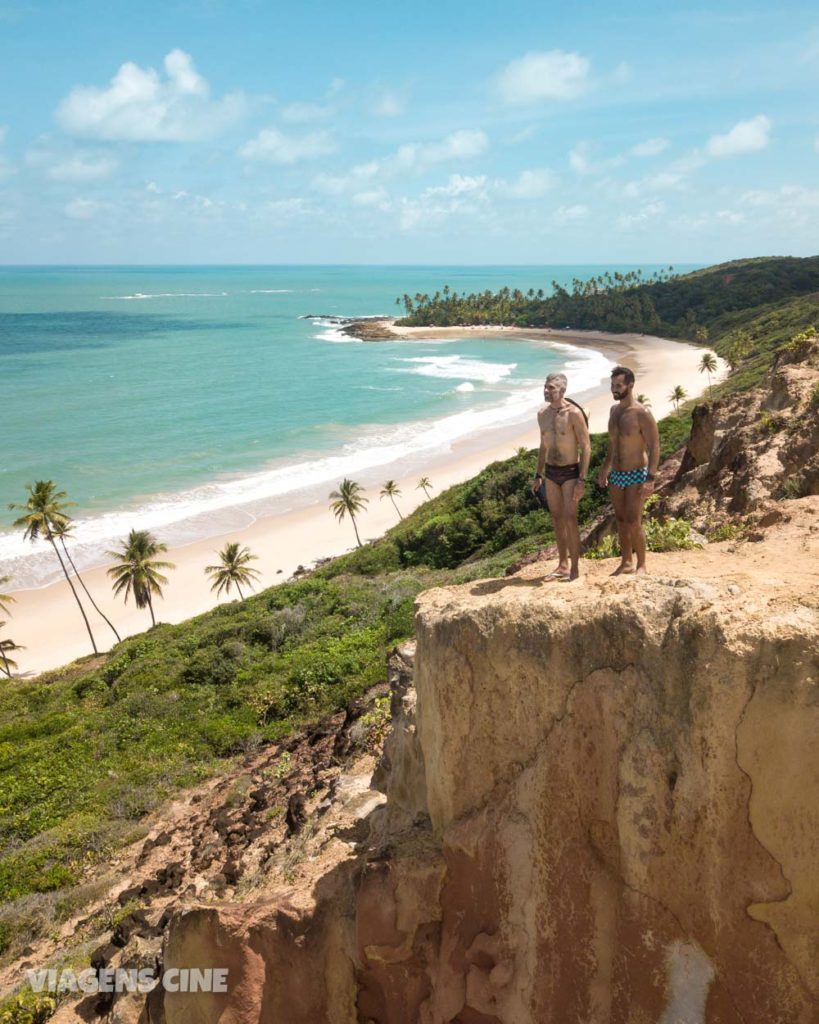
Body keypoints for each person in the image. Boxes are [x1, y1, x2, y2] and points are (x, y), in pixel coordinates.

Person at [597, 365, 660, 575]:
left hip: (636, 474)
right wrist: (605, 468)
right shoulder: (614, 411)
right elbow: (612, 444)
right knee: (621, 519)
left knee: (634, 520)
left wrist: (650, 478)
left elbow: (655, 446)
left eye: (618, 385)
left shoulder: (642, 413)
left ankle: (641, 564)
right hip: (616, 474)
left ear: (630, 385)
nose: (614, 389)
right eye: (612, 385)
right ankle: (626, 562)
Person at [532, 372, 591, 581]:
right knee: (557, 519)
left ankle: (575, 569)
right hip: (550, 472)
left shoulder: (574, 413)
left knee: (570, 519)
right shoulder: (542, 415)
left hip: (570, 473)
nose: (546, 391)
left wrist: (582, 480)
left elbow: (586, 447)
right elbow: (543, 445)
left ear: (562, 390)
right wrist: (537, 474)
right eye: (545, 387)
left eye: (551, 388)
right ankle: (562, 565)